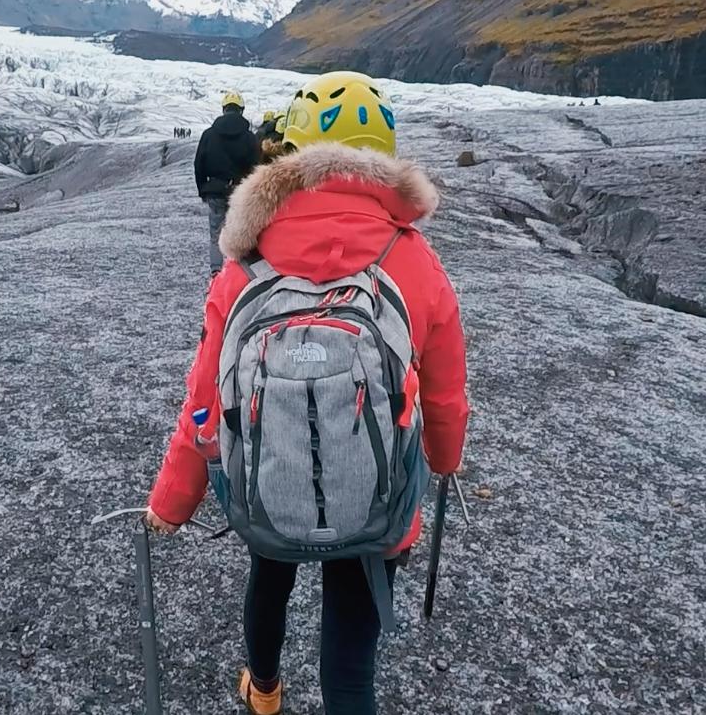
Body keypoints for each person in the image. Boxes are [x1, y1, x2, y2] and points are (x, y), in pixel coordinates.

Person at [146, 71, 470, 715]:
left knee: (269, 580)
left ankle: (264, 692)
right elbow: (444, 393)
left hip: (270, 479)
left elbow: (205, 397)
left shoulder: (246, 262)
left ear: (289, 152)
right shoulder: (413, 257)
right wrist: (443, 460)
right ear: (383, 158)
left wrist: (174, 498)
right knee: (350, 661)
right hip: (377, 493)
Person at [195, 90, 262, 273]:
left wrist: (203, 189)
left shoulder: (209, 134)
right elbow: (256, 167)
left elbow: (199, 163)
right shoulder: (249, 137)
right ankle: (240, 273)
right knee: (240, 234)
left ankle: (216, 271)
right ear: (241, 110)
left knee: (216, 234)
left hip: (215, 190)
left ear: (224, 109)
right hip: (240, 192)